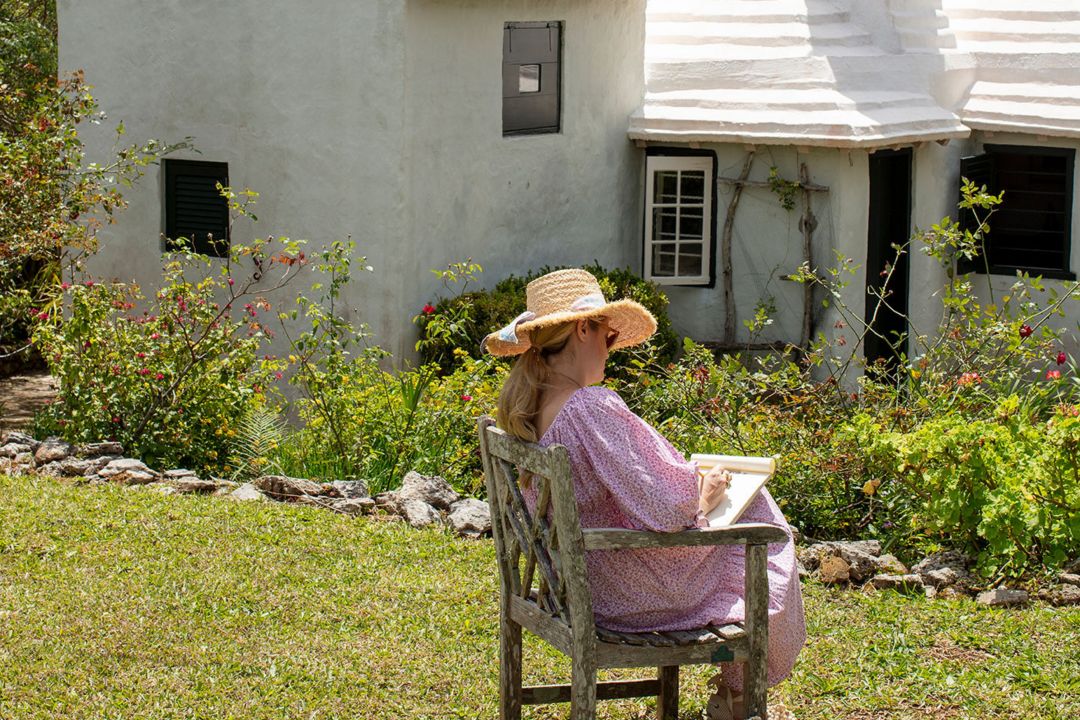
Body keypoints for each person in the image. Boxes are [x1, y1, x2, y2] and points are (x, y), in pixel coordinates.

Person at [484, 268, 805, 720]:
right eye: (609, 337)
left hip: (580, 584)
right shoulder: (590, 406)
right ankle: (737, 694)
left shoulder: (533, 406)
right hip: (626, 594)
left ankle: (733, 693)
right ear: (582, 329)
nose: (609, 350)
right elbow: (669, 507)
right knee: (762, 524)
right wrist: (704, 491)